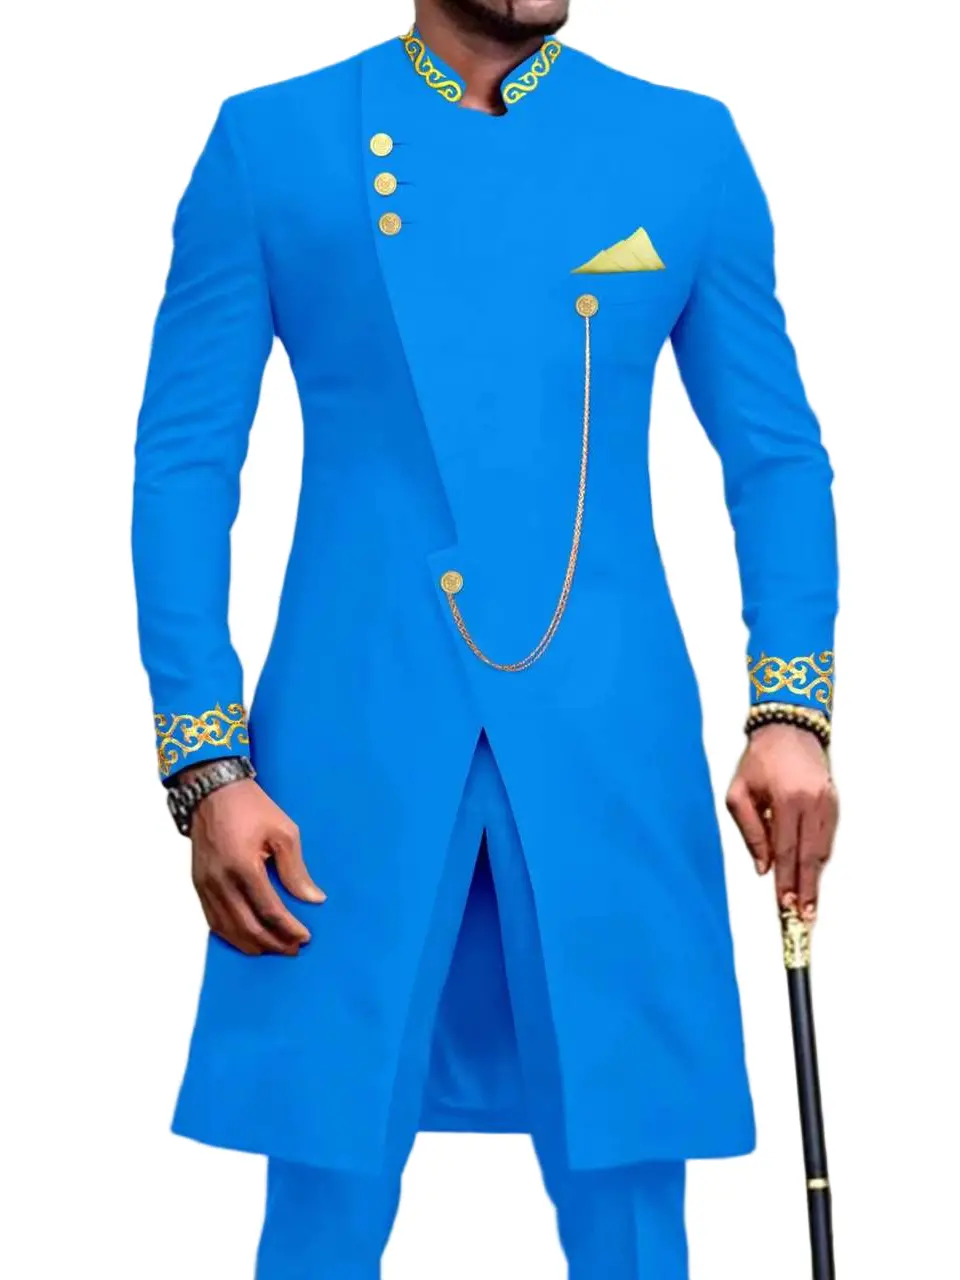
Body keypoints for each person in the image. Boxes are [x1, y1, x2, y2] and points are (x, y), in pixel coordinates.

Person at [132, 1, 840, 1274]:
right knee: (323, 1188)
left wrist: (791, 710)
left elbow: (776, 456)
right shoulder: (272, 142)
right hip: (348, 741)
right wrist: (205, 759)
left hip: (607, 734)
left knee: (632, 1180)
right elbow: (184, 466)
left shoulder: (682, 145)